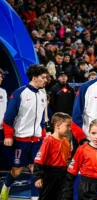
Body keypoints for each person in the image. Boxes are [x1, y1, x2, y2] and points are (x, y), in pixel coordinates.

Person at [0, 64, 48, 200]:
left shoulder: (43, 95)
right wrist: (8, 135)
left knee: (36, 169)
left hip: (37, 140)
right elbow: (8, 117)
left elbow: (41, 120)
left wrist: (43, 136)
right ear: (34, 78)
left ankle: (34, 197)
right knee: (17, 170)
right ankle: (6, 187)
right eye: (43, 77)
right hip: (21, 139)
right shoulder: (19, 93)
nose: (45, 80)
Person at [60, 119, 97, 200]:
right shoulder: (82, 149)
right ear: (89, 133)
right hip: (86, 186)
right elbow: (71, 172)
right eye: (93, 133)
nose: (96, 136)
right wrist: (66, 194)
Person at [34, 112, 72, 200]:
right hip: (50, 175)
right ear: (57, 126)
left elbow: (68, 158)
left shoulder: (66, 141)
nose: (70, 129)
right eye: (67, 126)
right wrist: (38, 177)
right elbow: (38, 160)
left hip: (63, 174)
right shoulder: (49, 141)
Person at [0, 68, 7, 141]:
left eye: (2, 76)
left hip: (1, 130)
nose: (1, 79)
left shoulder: (3, 92)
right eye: (0, 76)